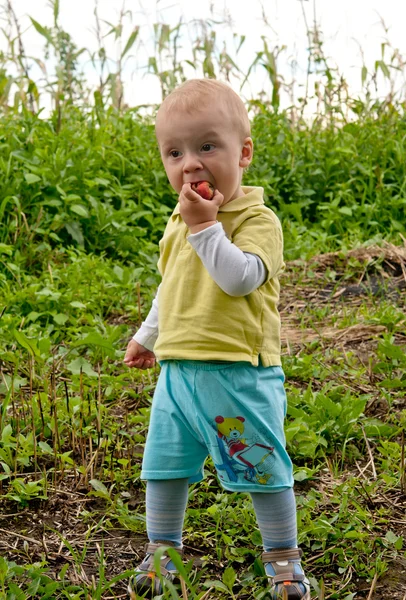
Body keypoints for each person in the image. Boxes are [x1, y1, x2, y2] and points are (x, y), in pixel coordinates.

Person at [123, 78, 310, 600]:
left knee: (263, 465)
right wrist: (149, 335)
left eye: (207, 146)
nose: (191, 163)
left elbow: (240, 278)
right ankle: (163, 553)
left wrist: (206, 228)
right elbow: (174, 285)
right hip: (178, 374)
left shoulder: (257, 219)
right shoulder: (180, 221)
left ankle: (284, 563)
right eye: (175, 152)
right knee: (163, 467)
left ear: (243, 152)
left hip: (238, 372)